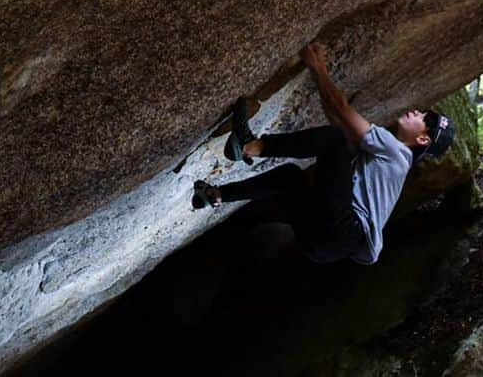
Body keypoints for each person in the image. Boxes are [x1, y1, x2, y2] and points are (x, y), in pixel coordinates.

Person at [191, 41, 454, 265]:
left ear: (422, 138)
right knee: (289, 177)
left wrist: (318, 67)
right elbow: (337, 123)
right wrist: (315, 76)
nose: (417, 112)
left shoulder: (395, 151)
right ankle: (216, 195)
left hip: (343, 228)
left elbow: (341, 111)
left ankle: (249, 145)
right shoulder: (390, 162)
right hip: (325, 249)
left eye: (424, 118)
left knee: (335, 140)